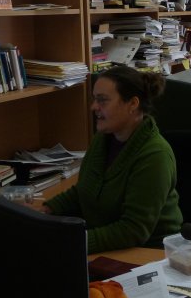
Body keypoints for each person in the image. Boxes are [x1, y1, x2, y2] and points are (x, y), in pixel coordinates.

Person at [40, 66, 183, 254]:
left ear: (132, 104)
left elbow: (133, 230)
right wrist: (45, 210)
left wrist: (73, 242)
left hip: (148, 255)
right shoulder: (103, 139)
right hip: (108, 247)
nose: (93, 107)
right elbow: (83, 191)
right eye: (94, 99)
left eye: (102, 100)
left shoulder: (155, 155)